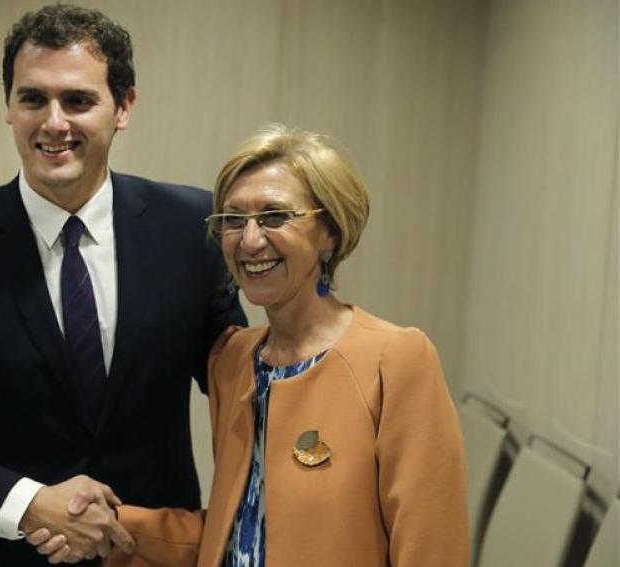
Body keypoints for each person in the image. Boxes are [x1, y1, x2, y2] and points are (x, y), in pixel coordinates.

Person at [0, 4, 246, 566]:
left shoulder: (190, 228)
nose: (54, 123)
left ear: (124, 106)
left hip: (154, 555)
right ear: (10, 108)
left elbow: (238, 389)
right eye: (33, 98)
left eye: (78, 100)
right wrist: (27, 503)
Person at [38, 124, 469, 566]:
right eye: (232, 219)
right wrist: (112, 521)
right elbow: (241, 528)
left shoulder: (395, 360)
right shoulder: (233, 360)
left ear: (331, 232)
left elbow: (433, 552)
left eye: (275, 216)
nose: (249, 240)